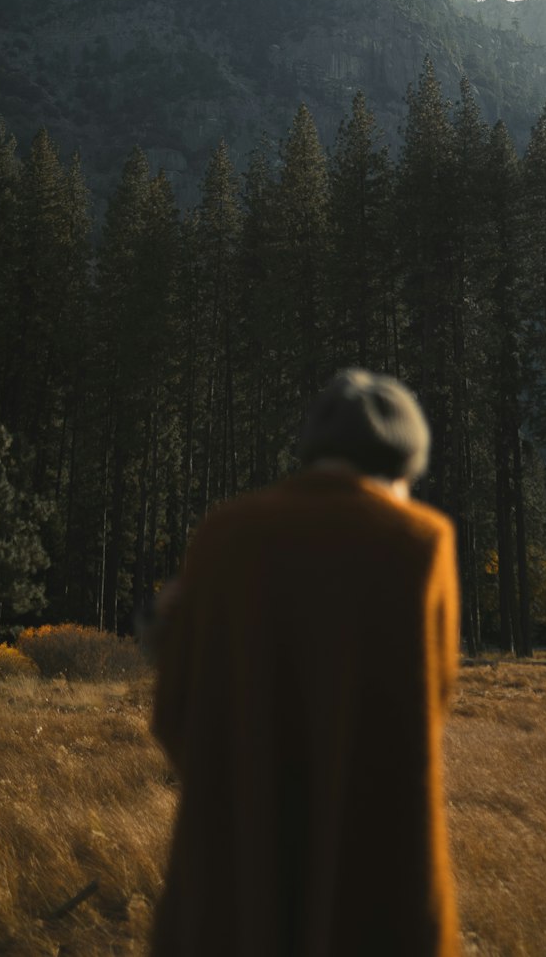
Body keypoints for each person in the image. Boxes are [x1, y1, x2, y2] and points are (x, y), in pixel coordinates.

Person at [150, 369, 461, 957]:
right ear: (401, 469)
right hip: (376, 876)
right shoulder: (422, 542)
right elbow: (433, 700)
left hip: (232, 876)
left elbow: (176, 716)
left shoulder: (224, 535)